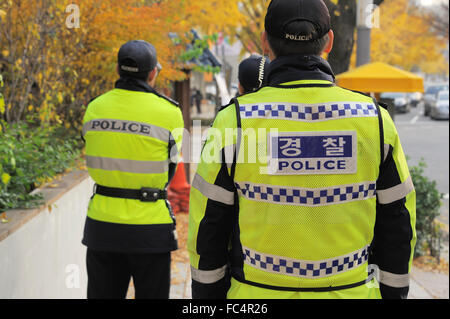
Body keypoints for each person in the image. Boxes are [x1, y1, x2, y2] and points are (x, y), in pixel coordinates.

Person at [188, 0, 416, 299]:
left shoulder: (233, 121)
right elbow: (398, 224)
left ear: (265, 43)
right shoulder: (375, 120)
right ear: (329, 42)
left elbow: (208, 227)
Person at [82, 40, 184, 299]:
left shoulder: (95, 108)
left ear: (118, 68)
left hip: (102, 227)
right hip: (149, 229)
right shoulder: (169, 113)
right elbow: (171, 168)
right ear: (152, 73)